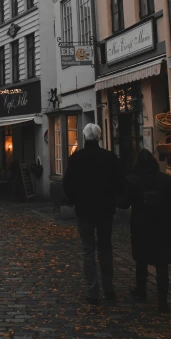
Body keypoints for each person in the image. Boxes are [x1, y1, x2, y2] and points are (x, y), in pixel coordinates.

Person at [63, 123, 124, 305]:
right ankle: (109, 289)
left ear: (84, 137)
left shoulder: (76, 158)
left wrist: (75, 199)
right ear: (99, 137)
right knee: (105, 248)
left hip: (84, 210)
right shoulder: (110, 157)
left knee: (88, 250)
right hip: (105, 210)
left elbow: (67, 185)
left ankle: (92, 291)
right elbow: (119, 184)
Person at [121, 149, 171, 313]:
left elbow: (125, 203)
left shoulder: (132, 180)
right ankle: (162, 301)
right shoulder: (164, 180)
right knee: (162, 264)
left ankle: (141, 290)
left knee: (141, 259)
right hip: (161, 226)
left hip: (141, 225)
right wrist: (170, 221)